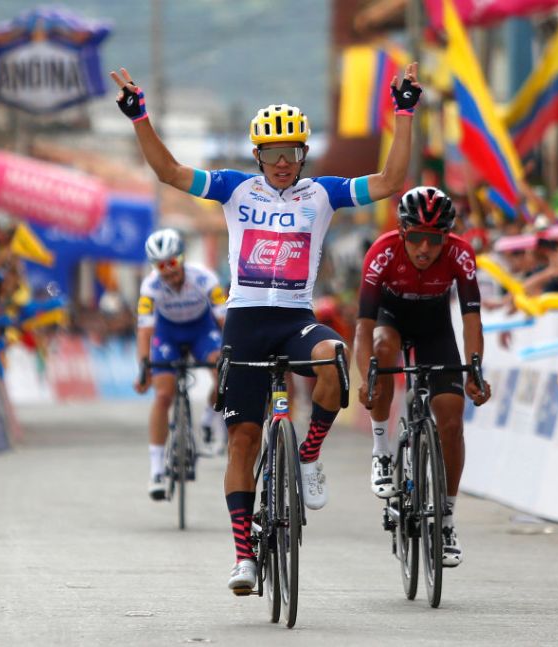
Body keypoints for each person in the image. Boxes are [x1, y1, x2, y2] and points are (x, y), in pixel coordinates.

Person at [110, 62, 421, 595]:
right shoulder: (234, 189)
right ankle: (244, 558)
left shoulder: (322, 194)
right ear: (257, 155)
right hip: (246, 322)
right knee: (243, 442)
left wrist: (404, 111)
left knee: (332, 358)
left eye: (291, 152)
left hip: (296, 320)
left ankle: (308, 456)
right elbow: (170, 172)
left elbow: (392, 182)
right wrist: (140, 117)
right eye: (273, 152)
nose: (282, 162)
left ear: (304, 154)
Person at [353, 186, 492, 568]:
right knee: (382, 351)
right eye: (416, 238)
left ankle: (445, 519)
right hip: (391, 319)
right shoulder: (382, 252)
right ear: (402, 232)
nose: (425, 248)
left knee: (451, 420)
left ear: (446, 236)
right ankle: (382, 452)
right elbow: (363, 326)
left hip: (435, 327)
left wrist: (475, 369)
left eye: (434, 239)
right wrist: (367, 378)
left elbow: (471, 320)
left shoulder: (461, 254)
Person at [135, 228, 227, 499]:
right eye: (161, 266)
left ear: (182, 258)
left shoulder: (206, 278)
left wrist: (235, 352)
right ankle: (156, 470)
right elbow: (144, 330)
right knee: (163, 395)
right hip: (168, 334)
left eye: (172, 262)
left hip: (202, 330)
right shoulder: (150, 287)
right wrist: (144, 367)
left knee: (224, 372)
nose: (168, 271)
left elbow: (224, 320)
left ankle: (210, 417)